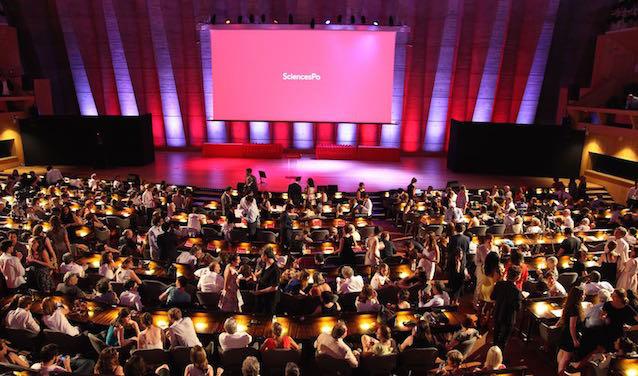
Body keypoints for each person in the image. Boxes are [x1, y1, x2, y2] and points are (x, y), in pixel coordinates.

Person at [491, 266, 522, 351]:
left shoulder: (499, 284)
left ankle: (493, 352)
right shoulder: (517, 291)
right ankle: (499, 357)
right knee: (503, 340)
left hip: (498, 312)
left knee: (496, 335)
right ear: (517, 277)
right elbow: (518, 308)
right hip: (508, 317)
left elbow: (492, 297)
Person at [556, 286, 585, 375]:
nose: (584, 296)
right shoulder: (575, 308)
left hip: (565, 333)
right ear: (579, 296)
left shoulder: (569, 304)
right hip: (569, 336)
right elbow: (572, 326)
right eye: (583, 294)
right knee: (566, 358)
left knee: (561, 355)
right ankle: (560, 373)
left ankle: (559, 371)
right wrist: (575, 340)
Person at [254, 248, 281, 315]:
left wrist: (259, 292)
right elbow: (257, 275)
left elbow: (274, 288)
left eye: (261, 255)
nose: (261, 257)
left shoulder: (275, 269)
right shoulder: (265, 265)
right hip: (262, 298)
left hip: (270, 300)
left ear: (265, 256)